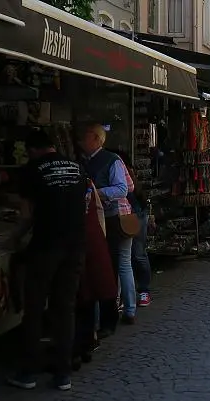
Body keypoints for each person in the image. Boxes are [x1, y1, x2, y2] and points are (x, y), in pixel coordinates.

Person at [7, 128, 87, 391]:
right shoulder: (77, 168)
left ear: (32, 150)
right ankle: (62, 373)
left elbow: (27, 214)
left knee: (35, 308)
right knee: (65, 308)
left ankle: (28, 372)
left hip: (45, 246)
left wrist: (15, 238)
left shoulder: (32, 169)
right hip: (75, 245)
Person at [80, 124, 137, 331]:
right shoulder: (109, 160)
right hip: (119, 215)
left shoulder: (107, 160)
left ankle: (120, 309)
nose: (81, 140)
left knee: (114, 265)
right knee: (123, 263)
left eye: (85, 136)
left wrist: (96, 193)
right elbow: (130, 186)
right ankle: (128, 309)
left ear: (95, 139)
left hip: (113, 218)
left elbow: (122, 189)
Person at [73, 179, 117, 371]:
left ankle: (81, 344)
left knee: (82, 296)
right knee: (86, 295)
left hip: (76, 245)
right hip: (88, 243)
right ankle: (87, 340)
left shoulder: (84, 182)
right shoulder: (84, 182)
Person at [122, 156, 152, 308]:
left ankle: (143, 290)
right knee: (128, 257)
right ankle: (128, 295)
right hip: (126, 216)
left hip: (135, 215)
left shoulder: (129, 181)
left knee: (137, 254)